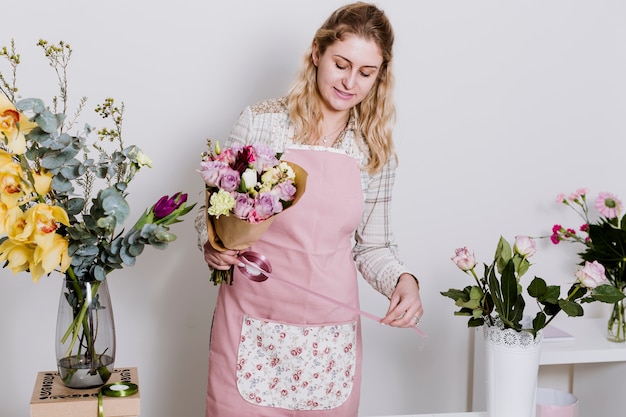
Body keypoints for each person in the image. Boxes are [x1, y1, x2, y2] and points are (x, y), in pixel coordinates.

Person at [195, 2, 423, 416]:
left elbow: (372, 247)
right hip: (251, 327)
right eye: (341, 64)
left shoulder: (373, 152)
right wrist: (213, 247)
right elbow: (212, 213)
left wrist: (403, 281)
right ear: (317, 53)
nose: (350, 82)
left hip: (328, 340)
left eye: (366, 73)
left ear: (379, 77)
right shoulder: (260, 123)